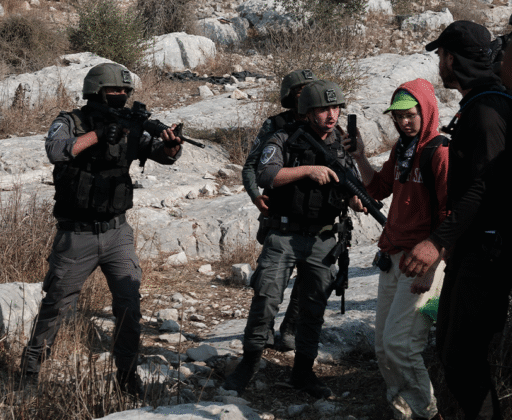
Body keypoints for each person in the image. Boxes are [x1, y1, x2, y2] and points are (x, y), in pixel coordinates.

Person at [19, 62, 183, 396]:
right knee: (56, 306)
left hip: (117, 233)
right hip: (75, 235)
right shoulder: (71, 121)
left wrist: (171, 145)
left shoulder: (129, 126)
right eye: (114, 90)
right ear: (95, 91)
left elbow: (161, 154)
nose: (121, 95)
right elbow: (55, 151)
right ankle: (29, 374)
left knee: (129, 306)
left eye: (125, 90)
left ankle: (127, 377)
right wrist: (98, 135)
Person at [223, 80, 366, 398]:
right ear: (308, 111)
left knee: (313, 308)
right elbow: (266, 174)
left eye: (336, 108)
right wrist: (308, 170)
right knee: (265, 301)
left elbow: (355, 191)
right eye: (324, 109)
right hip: (284, 234)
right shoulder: (284, 136)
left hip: (323, 238)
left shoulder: (342, 143)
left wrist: (359, 197)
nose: (332, 115)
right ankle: (248, 365)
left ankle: (303, 372)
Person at [400, 21, 512, 419]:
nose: (439, 64)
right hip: (471, 250)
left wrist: (436, 241)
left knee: (463, 356)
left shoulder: (487, 111)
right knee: (452, 351)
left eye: (441, 56)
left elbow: (483, 189)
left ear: (451, 58)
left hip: (488, 253)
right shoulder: (479, 103)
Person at [346, 79, 448, 420]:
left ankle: (429, 415)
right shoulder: (401, 150)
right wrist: (360, 156)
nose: (403, 122)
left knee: (402, 346)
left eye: (410, 115)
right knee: (383, 348)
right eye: (398, 117)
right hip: (392, 260)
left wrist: (434, 269)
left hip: (424, 266)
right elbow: (377, 189)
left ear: (426, 111)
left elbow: (452, 216)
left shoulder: (440, 152)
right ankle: (402, 413)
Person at [242, 68, 316, 352]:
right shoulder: (275, 125)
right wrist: (255, 196)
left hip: (314, 215)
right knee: (268, 284)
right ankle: (260, 336)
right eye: (300, 92)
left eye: (310, 90)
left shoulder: (326, 123)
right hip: (281, 214)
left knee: (309, 283)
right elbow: (251, 166)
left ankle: (291, 330)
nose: (306, 96)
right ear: (289, 96)